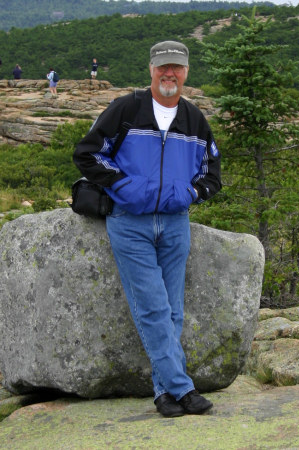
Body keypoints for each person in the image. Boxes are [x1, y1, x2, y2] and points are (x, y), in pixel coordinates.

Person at [73, 41, 222, 417]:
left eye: (176, 68)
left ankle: (163, 394)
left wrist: (188, 194)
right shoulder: (128, 108)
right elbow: (88, 153)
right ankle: (183, 389)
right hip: (130, 222)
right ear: (151, 70)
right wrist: (125, 186)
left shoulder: (194, 118)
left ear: (186, 72)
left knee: (173, 311)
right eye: (162, 68)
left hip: (174, 223)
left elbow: (212, 174)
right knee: (154, 308)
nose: (169, 74)